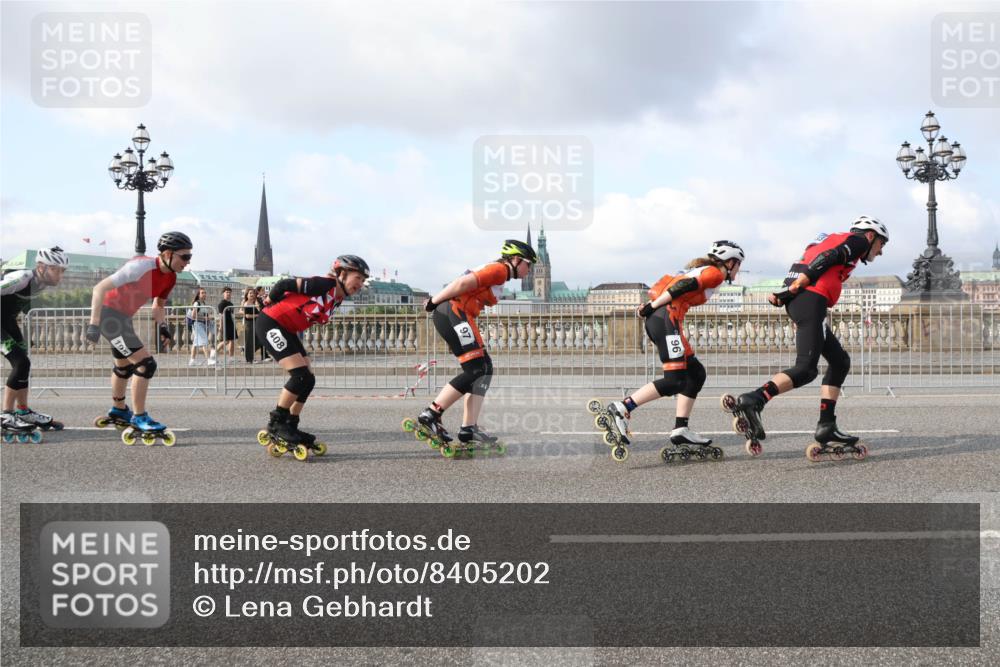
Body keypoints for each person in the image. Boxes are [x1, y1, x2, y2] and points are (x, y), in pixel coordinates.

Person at [731, 216, 888, 459]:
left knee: (840, 361)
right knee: (806, 369)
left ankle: (827, 425)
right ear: (871, 236)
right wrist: (799, 285)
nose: (880, 252)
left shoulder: (828, 238)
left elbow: (806, 263)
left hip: (805, 300)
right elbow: (828, 258)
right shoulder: (857, 241)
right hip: (810, 300)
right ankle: (755, 399)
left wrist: (787, 292)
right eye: (881, 244)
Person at [597, 241, 745, 463]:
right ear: (730, 262)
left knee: (695, 373)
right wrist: (652, 306)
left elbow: (667, 286)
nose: (739, 269)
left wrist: (652, 306)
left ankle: (680, 429)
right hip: (667, 320)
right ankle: (622, 407)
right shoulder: (714, 273)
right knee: (675, 380)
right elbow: (681, 287)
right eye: (739, 264)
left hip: (665, 320)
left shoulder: (701, 269)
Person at [409, 239, 537, 456]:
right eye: (528, 264)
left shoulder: (501, 276)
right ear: (515, 260)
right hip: (453, 312)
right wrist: (432, 301)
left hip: (460, 316)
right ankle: (431, 414)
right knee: (476, 370)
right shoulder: (499, 270)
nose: (530, 269)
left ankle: (469, 428)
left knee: (485, 369)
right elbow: (461, 284)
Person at [255, 254, 370, 459]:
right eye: (358, 278)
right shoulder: (323, 284)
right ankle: (276, 424)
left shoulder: (338, 297)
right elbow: (283, 284)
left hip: (287, 329)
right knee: (300, 376)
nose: (360, 284)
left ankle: (291, 424)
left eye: (363, 281)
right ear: (342, 274)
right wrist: (268, 300)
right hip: (271, 322)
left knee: (309, 379)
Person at [86, 231, 192, 443]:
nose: (187, 262)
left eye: (190, 257)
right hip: (109, 318)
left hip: (123, 319)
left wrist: (163, 326)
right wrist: (93, 324)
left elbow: (158, 306)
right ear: (168, 254)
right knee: (145, 364)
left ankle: (118, 410)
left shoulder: (171, 277)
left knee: (124, 367)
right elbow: (99, 289)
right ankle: (139, 417)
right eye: (185, 257)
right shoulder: (140, 267)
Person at [1, 246, 70, 438]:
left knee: (24, 364)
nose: (59, 275)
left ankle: (23, 411)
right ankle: (6, 415)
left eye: (62, 271)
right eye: (55, 269)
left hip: (7, 321)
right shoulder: (22, 277)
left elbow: (23, 303)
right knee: (21, 362)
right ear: (41, 266)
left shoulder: (41, 283)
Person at [187, 287, 214, 366]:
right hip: (197, 324)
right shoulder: (197, 303)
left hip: (202, 324)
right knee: (204, 341)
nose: (204, 294)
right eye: (202, 293)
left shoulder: (204, 304)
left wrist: (208, 318)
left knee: (195, 343)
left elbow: (204, 314)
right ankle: (209, 360)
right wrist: (204, 318)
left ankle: (192, 361)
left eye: (205, 293)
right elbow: (193, 316)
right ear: (198, 295)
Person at [216, 286, 237, 359]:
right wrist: (221, 326)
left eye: (229, 292)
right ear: (223, 294)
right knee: (226, 341)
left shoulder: (231, 304)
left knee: (232, 341)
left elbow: (231, 315)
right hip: (225, 324)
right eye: (226, 292)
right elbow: (220, 316)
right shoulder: (222, 304)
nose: (228, 294)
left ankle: (231, 357)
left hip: (231, 323)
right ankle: (214, 352)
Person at [241, 287, 260, 363]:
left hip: (255, 323)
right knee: (249, 341)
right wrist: (257, 315)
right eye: (250, 293)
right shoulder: (246, 304)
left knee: (258, 340)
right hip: (249, 323)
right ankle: (249, 359)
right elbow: (247, 316)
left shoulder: (254, 303)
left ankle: (248, 353)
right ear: (247, 295)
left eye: (253, 293)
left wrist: (257, 304)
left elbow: (259, 311)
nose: (252, 294)